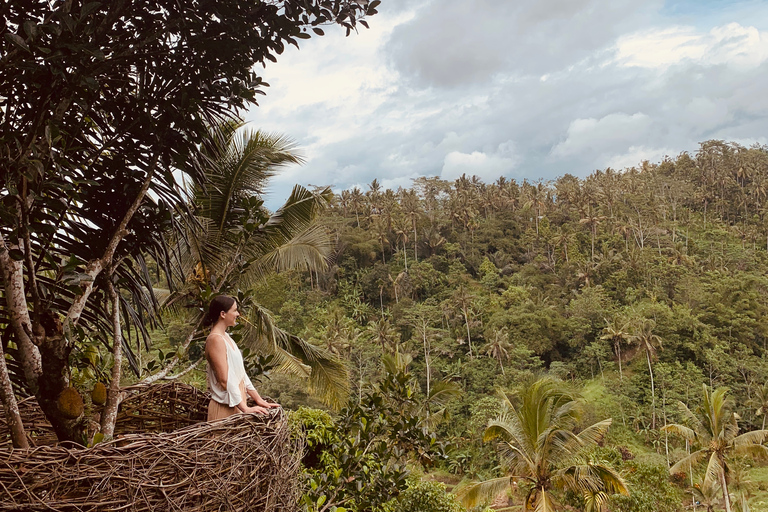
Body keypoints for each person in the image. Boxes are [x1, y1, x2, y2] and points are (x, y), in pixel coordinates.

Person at [204, 295, 280, 421]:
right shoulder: (215, 340)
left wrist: (258, 399)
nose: (238, 314)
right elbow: (224, 380)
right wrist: (245, 408)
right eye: (234, 310)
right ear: (223, 314)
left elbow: (241, 374)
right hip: (225, 407)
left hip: (236, 403)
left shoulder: (226, 337)